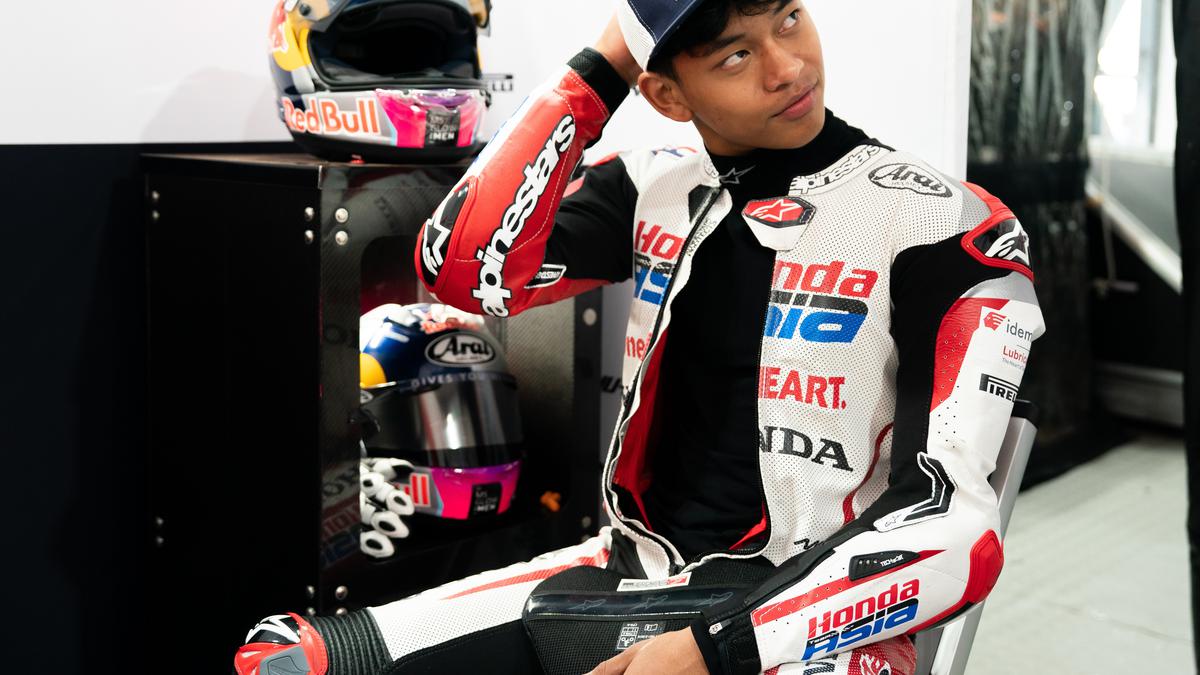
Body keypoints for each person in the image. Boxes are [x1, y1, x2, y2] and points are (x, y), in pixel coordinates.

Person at [234, 1, 1045, 673]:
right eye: (735, 54)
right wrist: (608, 61)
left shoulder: (947, 222)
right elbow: (462, 268)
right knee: (285, 658)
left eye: (789, 18)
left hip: (807, 621)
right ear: (666, 93)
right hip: (631, 575)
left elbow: (954, 529)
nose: (787, 67)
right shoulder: (652, 183)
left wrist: (711, 647)